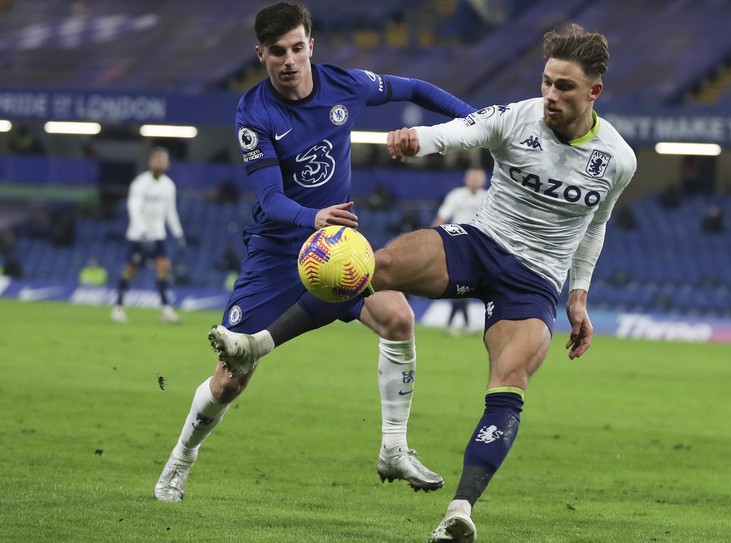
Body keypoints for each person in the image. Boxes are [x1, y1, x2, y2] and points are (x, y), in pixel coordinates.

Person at [210, 23, 635, 542]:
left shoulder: (618, 159)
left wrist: (579, 295)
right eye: (546, 81)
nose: (550, 94)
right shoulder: (518, 117)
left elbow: (597, 225)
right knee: (369, 266)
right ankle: (256, 343)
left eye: (564, 87)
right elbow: (465, 130)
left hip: (536, 279)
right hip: (479, 242)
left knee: (508, 385)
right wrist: (419, 141)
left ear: (594, 91)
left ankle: (459, 510)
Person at [153, 1, 475, 503]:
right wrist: (314, 217)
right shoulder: (254, 112)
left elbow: (414, 89)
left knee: (398, 319)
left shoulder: (346, 85)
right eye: (277, 51)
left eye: (297, 48)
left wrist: (479, 123)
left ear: (311, 45)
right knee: (231, 380)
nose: (289, 60)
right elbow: (270, 199)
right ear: (261, 53)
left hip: (336, 250)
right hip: (278, 252)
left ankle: (394, 448)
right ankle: (181, 458)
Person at [111, 147, 185, 324]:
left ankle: (166, 310)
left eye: (162, 160)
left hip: (158, 234)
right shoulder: (140, 183)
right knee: (130, 270)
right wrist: (142, 231)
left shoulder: (168, 185)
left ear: (168, 164)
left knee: (164, 268)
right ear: (150, 162)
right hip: (138, 235)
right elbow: (133, 207)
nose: (159, 163)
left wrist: (178, 233)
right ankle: (118, 308)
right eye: (156, 159)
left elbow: (170, 212)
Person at [432, 168, 488, 335]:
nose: (475, 180)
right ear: (466, 179)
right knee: (462, 282)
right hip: (458, 243)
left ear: (483, 181)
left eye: (478, 178)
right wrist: (432, 237)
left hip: (479, 245)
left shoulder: (488, 197)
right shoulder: (456, 195)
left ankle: (453, 324)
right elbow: (442, 217)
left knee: (466, 285)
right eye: (472, 177)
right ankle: (463, 325)